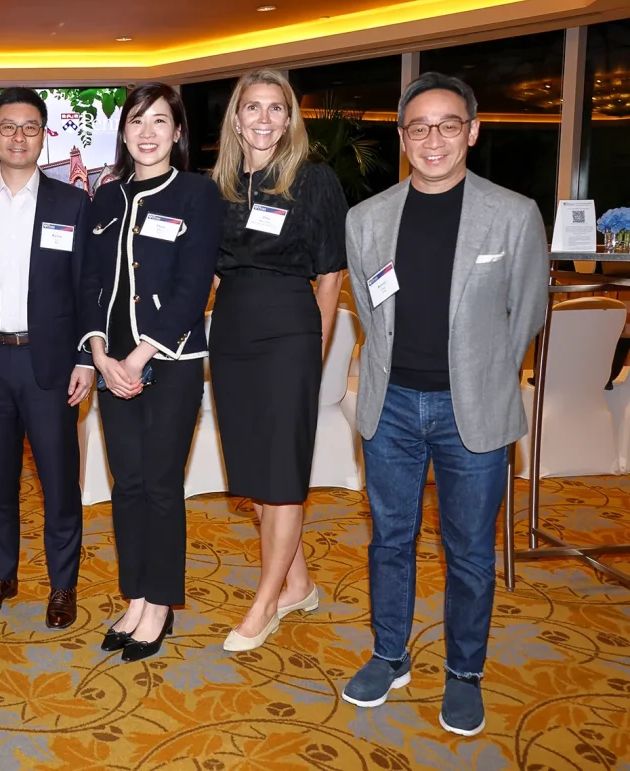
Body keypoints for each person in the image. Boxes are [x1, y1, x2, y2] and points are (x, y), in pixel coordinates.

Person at [342, 72, 548, 736]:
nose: (434, 138)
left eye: (448, 124)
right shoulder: (366, 218)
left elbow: (529, 310)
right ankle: (389, 652)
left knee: (467, 551)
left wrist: (484, 371)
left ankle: (465, 671)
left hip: (475, 411)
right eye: (420, 127)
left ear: (474, 131)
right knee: (390, 541)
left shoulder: (512, 214)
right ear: (403, 138)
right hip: (392, 406)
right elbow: (372, 309)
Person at [78, 82, 224, 662]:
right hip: (111, 364)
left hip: (172, 363)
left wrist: (139, 355)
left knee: (162, 486)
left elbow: (195, 286)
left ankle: (160, 604)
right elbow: (91, 284)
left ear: (177, 131)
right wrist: (98, 352)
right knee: (127, 485)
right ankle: (135, 594)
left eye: (159, 121)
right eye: (137, 121)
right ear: (124, 132)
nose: (147, 132)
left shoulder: (197, 194)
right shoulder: (105, 198)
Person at [208, 70, 348, 652]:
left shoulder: (314, 181)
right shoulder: (216, 189)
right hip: (233, 335)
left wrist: (312, 351)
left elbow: (331, 275)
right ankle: (299, 583)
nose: (264, 119)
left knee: (283, 474)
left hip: (291, 332)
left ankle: (265, 603)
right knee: (255, 476)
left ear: (289, 119)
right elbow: (209, 269)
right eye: (253, 108)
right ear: (236, 119)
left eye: (275, 109)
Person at [0, 88, 95, 630]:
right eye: (8, 126)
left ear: (44, 136)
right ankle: (2, 574)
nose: (18, 136)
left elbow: (89, 288)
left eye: (29, 127)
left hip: (52, 366)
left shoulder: (72, 205)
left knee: (60, 482)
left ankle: (63, 585)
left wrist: (86, 356)